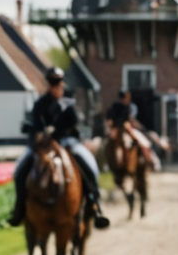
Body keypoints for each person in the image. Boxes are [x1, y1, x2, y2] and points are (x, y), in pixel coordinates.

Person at [8, 67, 110, 230]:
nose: (56, 86)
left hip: (67, 142)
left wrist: (55, 130)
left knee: (89, 164)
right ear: (48, 84)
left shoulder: (69, 102)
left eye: (58, 83)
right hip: (44, 146)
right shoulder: (40, 103)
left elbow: (73, 123)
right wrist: (38, 133)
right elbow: (34, 123)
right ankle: (19, 208)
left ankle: (94, 205)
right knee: (20, 168)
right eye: (52, 83)